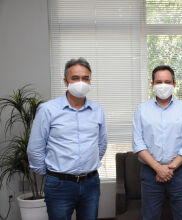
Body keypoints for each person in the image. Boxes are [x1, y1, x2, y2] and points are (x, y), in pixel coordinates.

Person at [27, 58, 108, 220]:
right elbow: (35, 148)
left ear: (90, 81)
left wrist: (88, 166)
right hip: (59, 185)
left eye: (85, 78)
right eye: (75, 78)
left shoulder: (97, 110)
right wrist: (51, 174)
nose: (81, 82)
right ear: (65, 81)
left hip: (91, 183)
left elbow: (101, 143)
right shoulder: (48, 110)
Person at [133, 65, 182, 220]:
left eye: (167, 82)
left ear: (174, 84)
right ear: (152, 84)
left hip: (179, 172)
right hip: (150, 173)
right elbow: (138, 143)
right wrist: (157, 168)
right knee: (150, 217)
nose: (163, 85)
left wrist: (168, 168)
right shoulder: (141, 110)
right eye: (159, 82)